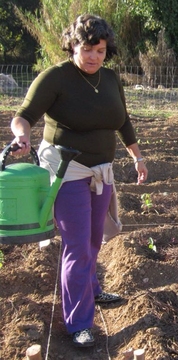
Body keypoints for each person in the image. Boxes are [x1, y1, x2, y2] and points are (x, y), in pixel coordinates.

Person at [9, 14, 148, 347]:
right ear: (73, 45)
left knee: (95, 239)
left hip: (102, 169)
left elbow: (123, 120)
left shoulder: (112, 79)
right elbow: (24, 116)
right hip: (66, 169)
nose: (93, 57)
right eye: (87, 49)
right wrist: (22, 137)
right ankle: (79, 324)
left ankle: (93, 290)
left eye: (100, 51)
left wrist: (138, 156)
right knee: (76, 246)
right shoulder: (56, 77)